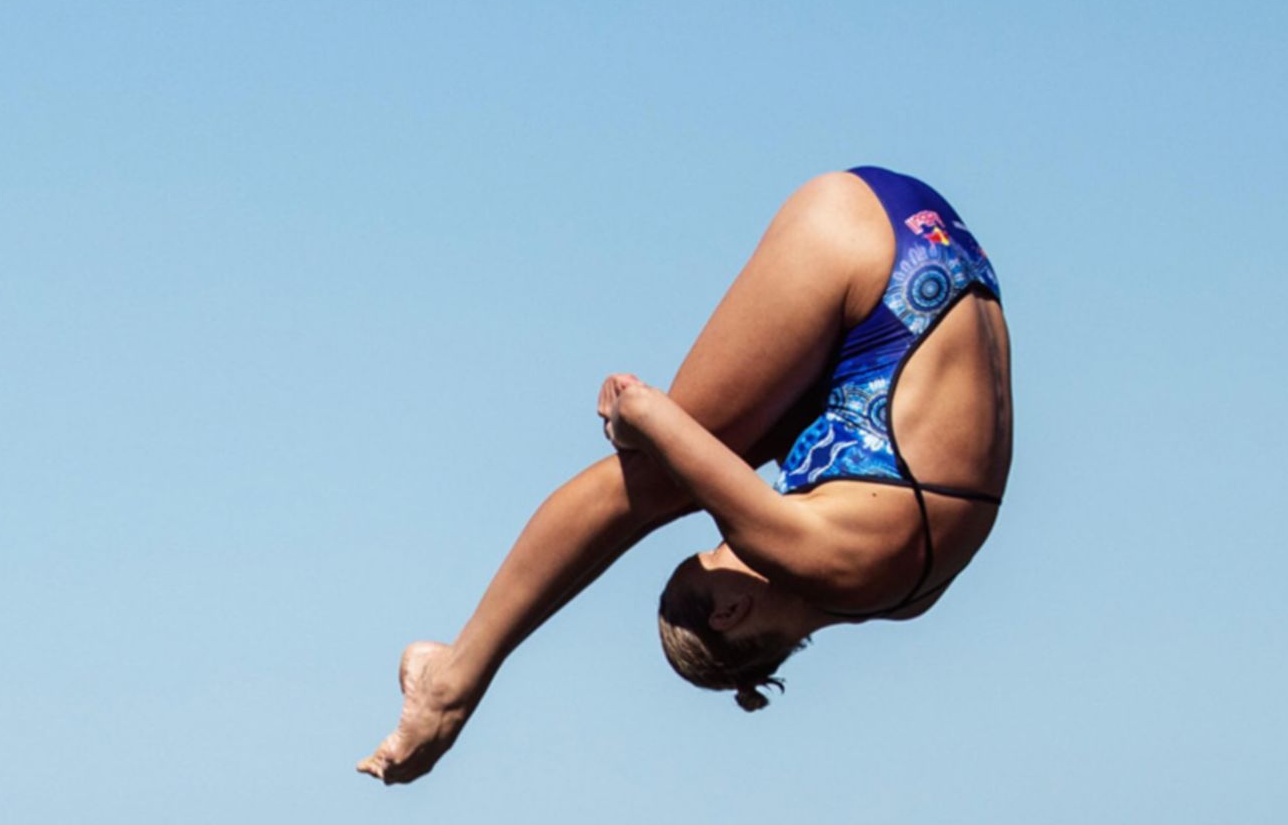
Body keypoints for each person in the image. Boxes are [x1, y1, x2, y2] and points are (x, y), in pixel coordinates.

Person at [358, 166, 1011, 784]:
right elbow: (644, 408)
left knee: (703, 456)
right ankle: (453, 686)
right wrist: (625, 423)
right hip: (863, 246)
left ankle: (455, 676)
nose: (726, 532)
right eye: (712, 551)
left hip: (952, 264)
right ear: (730, 611)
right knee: (646, 488)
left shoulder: (909, 600)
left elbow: (863, 433)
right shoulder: (815, 557)